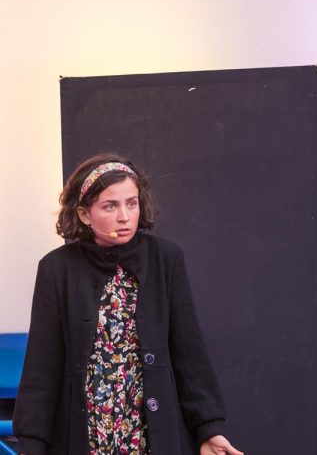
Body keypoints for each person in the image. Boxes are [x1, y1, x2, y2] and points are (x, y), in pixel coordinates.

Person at [13, 153, 244, 455]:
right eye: (110, 206)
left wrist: (209, 429)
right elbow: (41, 369)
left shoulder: (165, 260)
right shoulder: (57, 269)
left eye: (131, 203)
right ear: (84, 214)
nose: (124, 216)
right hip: (87, 435)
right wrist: (31, 445)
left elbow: (189, 354)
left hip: (149, 433)